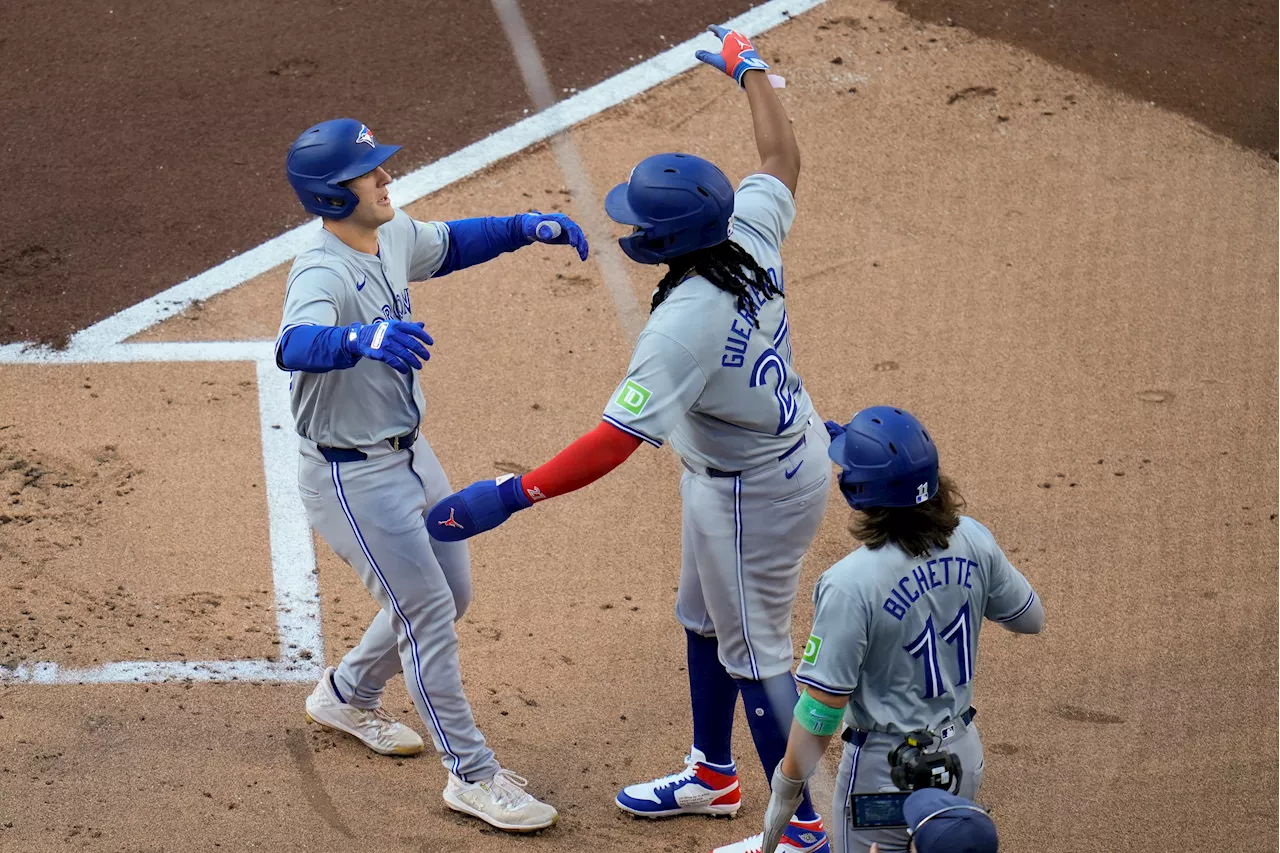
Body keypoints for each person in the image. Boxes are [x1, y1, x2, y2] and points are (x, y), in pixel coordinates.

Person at [427, 24, 836, 853]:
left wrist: (508, 494)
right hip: (753, 458)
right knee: (700, 613)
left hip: (752, 489)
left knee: (757, 652)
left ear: (663, 244)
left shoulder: (683, 323)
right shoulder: (743, 228)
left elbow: (613, 442)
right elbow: (781, 161)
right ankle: (712, 774)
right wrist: (750, 72)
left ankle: (800, 834)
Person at [276, 116, 588, 833]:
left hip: (410, 452)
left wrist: (522, 226)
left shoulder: (388, 234)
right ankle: (472, 775)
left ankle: (347, 694)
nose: (387, 177)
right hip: (353, 478)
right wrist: (358, 337)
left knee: (452, 592)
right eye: (370, 172)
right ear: (330, 197)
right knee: (428, 618)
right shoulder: (320, 269)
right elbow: (294, 344)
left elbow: (447, 245)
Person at [752, 406, 1043, 853]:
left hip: (884, 775)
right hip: (962, 757)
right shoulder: (974, 539)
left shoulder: (849, 583)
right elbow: (1028, 618)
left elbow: (823, 707)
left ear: (859, 491)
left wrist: (787, 784)